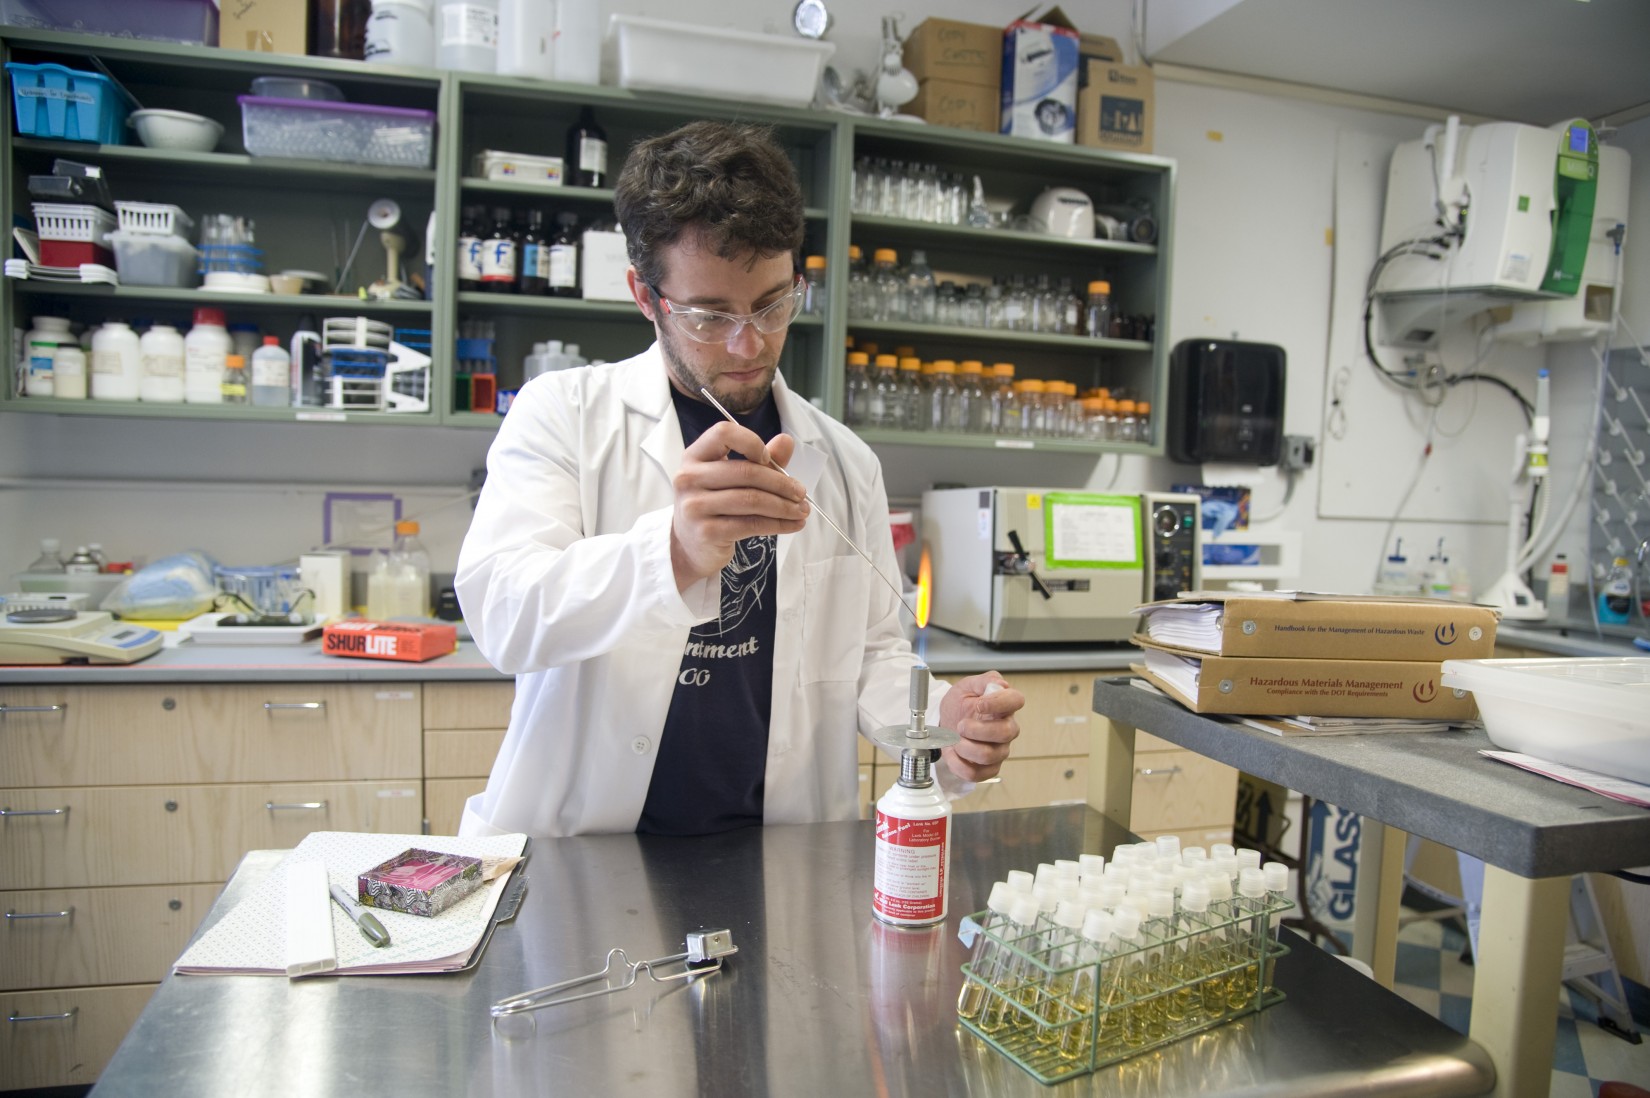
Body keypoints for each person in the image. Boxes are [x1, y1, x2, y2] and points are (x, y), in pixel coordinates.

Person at [455, 120, 1025, 839]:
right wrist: (673, 552)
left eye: (771, 304)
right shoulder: (564, 414)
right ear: (645, 296)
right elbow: (503, 616)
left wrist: (941, 720)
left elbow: (874, 652)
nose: (748, 343)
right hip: (586, 851)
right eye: (708, 314)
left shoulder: (845, 460)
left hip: (778, 857)